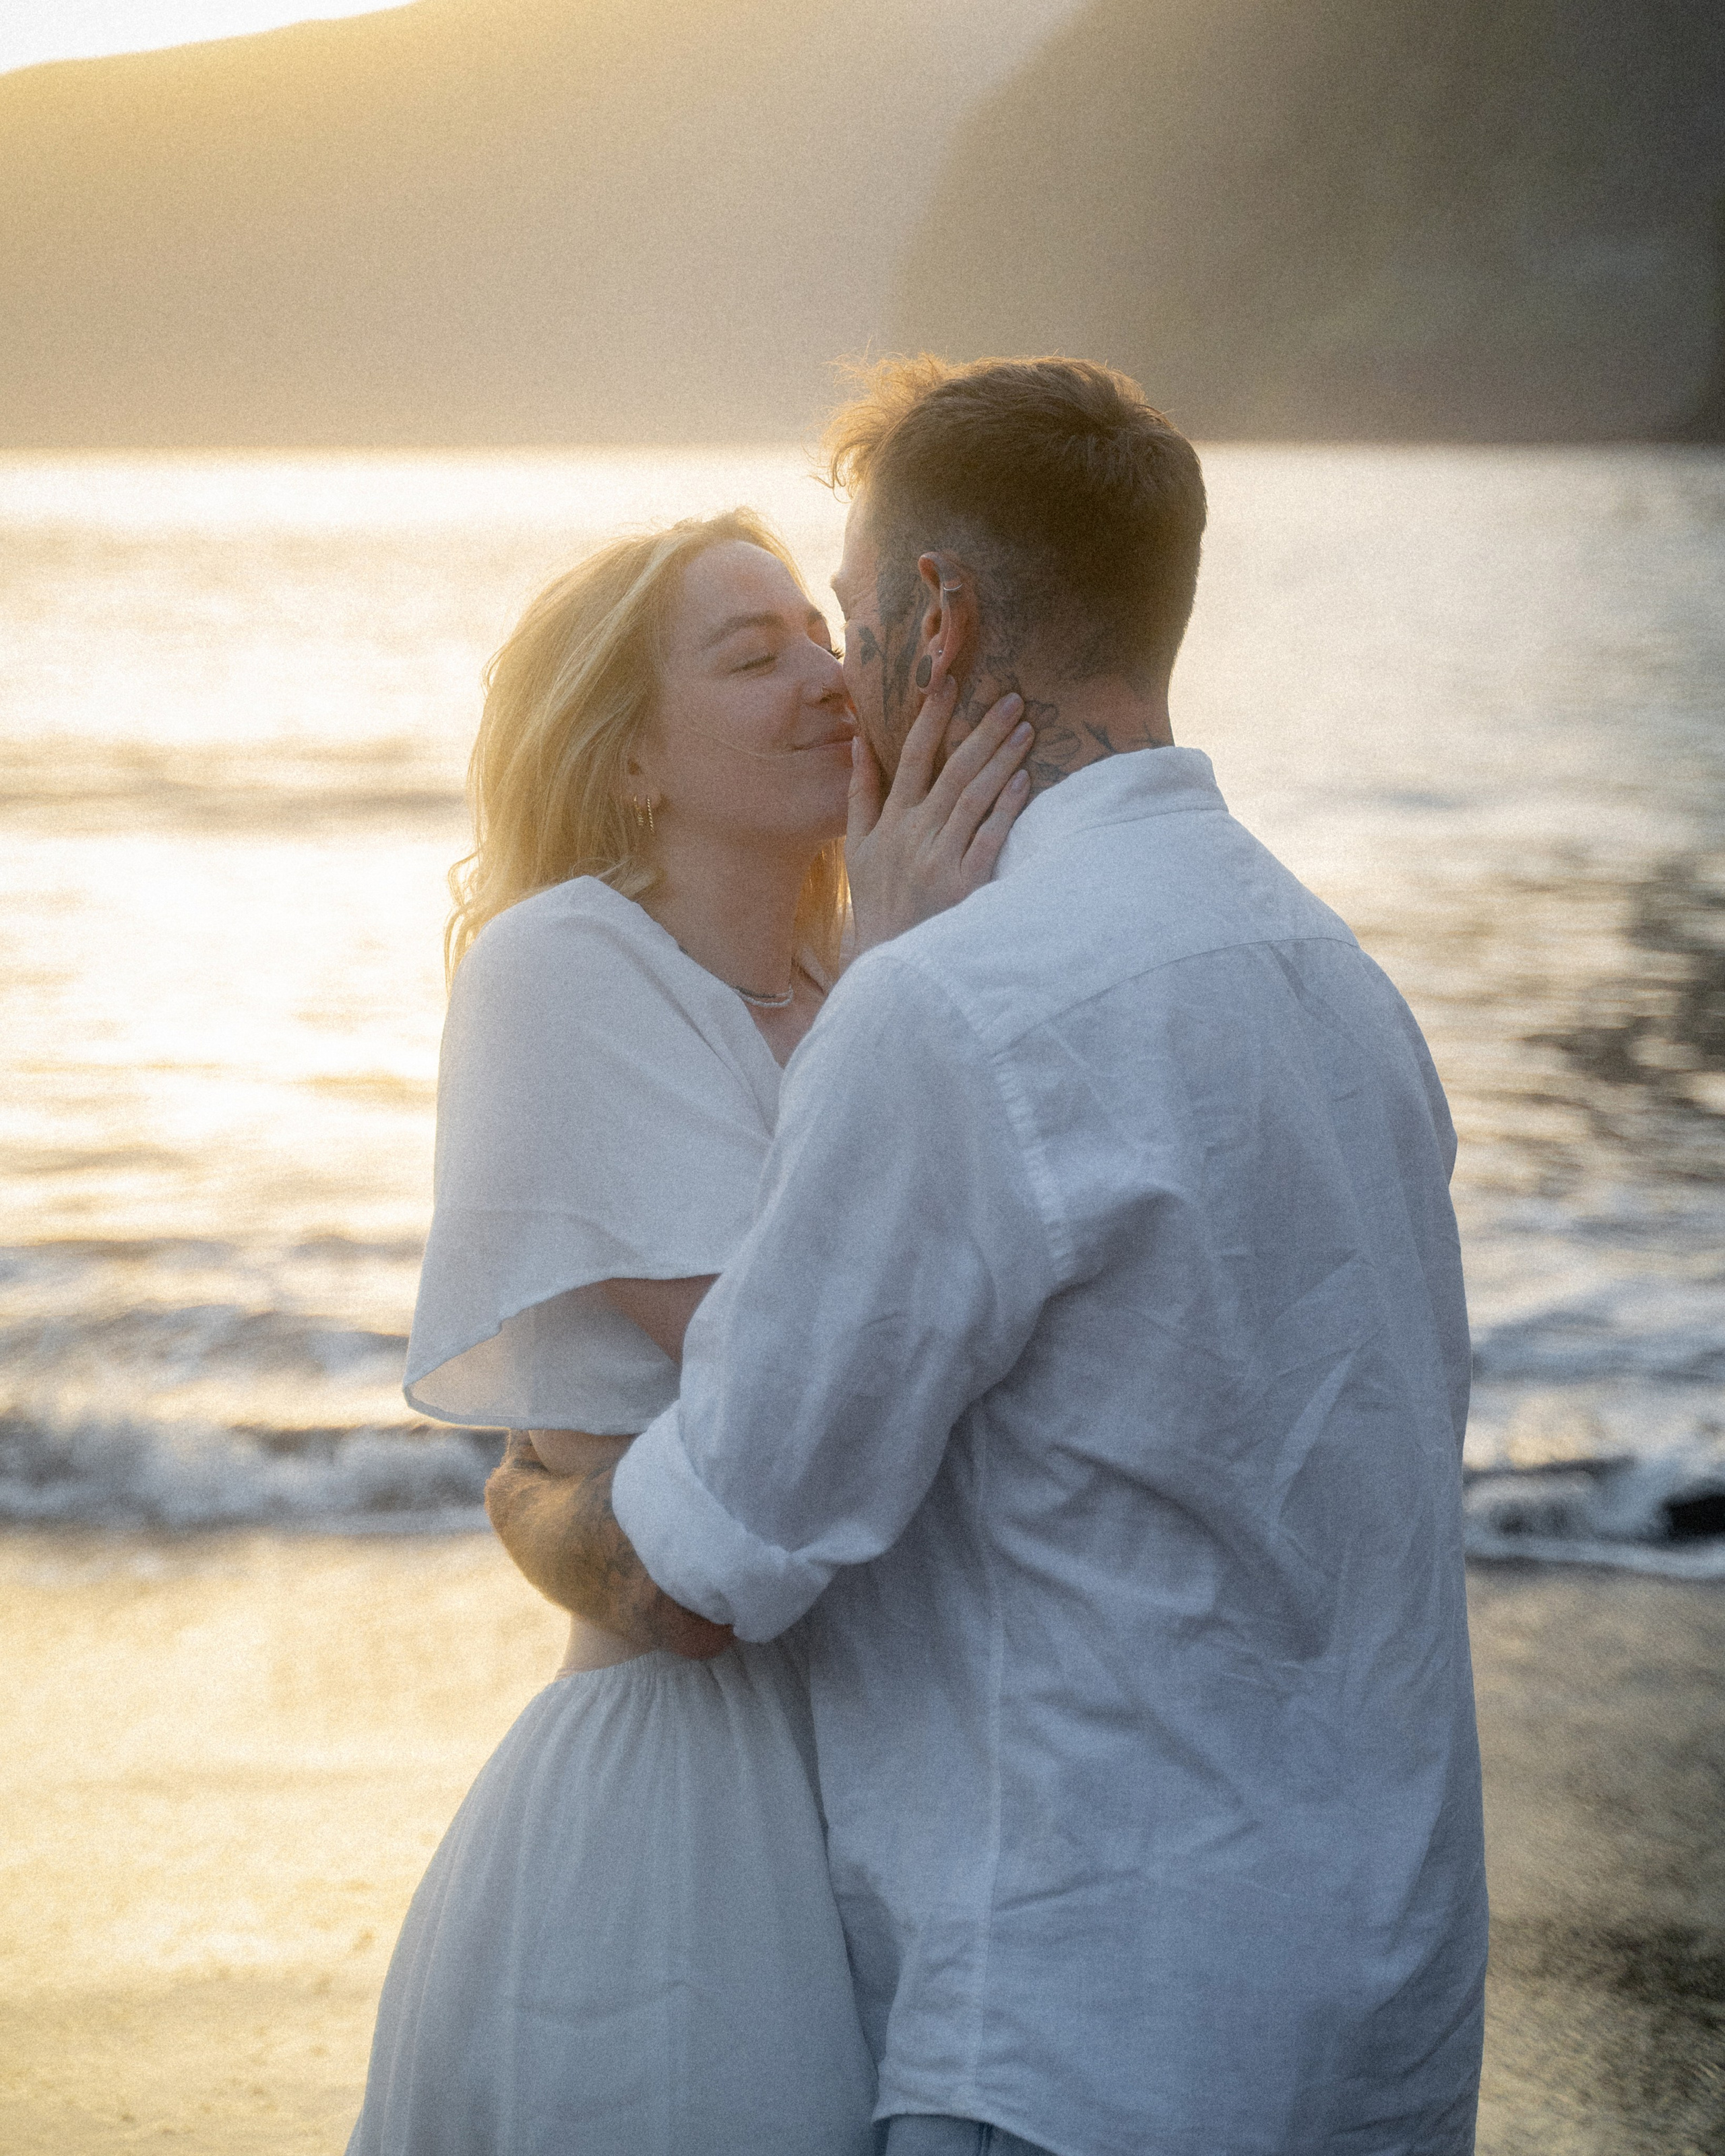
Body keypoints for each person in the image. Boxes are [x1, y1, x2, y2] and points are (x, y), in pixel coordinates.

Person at [490, 358, 1491, 2156]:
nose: (838, 670)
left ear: (935, 619)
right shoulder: (1339, 985)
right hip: (1387, 2015)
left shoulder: (952, 1009)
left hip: (1082, 2035)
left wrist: (536, 1507)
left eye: (851, 609)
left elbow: (711, 1558)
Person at [346, 505, 1033, 2156]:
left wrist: (897, 959)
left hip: (907, 1770)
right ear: (630, 761)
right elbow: (789, 1357)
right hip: (687, 1794)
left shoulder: (852, 968)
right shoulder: (562, 966)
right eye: (750, 655)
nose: (826, 677)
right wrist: (907, 960)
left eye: (820, 634)